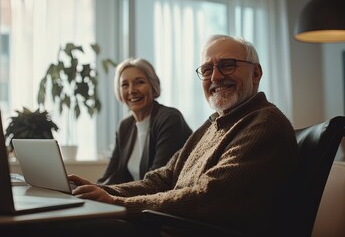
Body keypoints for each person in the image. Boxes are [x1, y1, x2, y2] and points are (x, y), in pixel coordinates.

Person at [69, 35, 298, 236]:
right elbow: (162, 178)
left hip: (188, 230)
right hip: (169, 225)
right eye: (207, 70)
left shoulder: (265, 123)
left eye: (227, 65)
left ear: (255, 73)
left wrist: (117, 203)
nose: (216, 76)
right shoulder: (212, 125)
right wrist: (101, 191)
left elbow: (207, 196)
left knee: (71, 228)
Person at [97, 58, 192, 185]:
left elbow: (157, 180)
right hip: (137, 198)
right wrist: (89, 190)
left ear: (153, 86)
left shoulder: (170, 119)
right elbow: (111, 175)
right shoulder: (125, 125)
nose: (131, 90)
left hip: (168, 199)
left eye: (139, 82)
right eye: (125, 84)